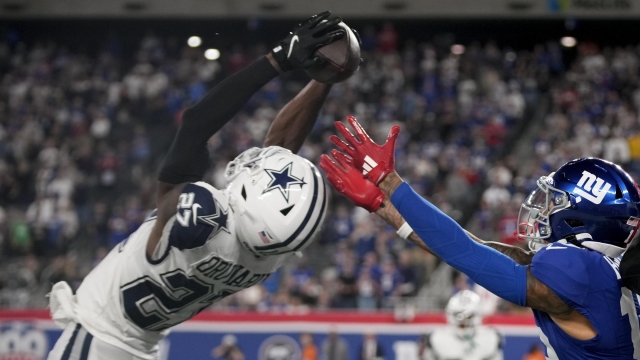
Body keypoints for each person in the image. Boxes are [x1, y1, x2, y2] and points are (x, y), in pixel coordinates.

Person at [46, 11, 347, 360]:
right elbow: (281, 146)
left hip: (97, 337)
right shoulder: (267, 256)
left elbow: (195, 124)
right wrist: (325, 79)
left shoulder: (199, 219)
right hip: (142, 347)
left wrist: (277, 60)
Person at [320, 116, 640, 359]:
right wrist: (382, 206)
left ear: (582, 217)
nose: (544, 209)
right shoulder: (601, 272)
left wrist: (387, 180)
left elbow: (464, 253)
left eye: (556, 201)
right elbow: (473, 249)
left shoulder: (578, 271)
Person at [422, 290, 503, 360]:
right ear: (449, 314)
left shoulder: (490, 338)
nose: (464, 321)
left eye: (469, 316)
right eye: (458, 315)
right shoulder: (437, 338)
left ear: (478, 315)